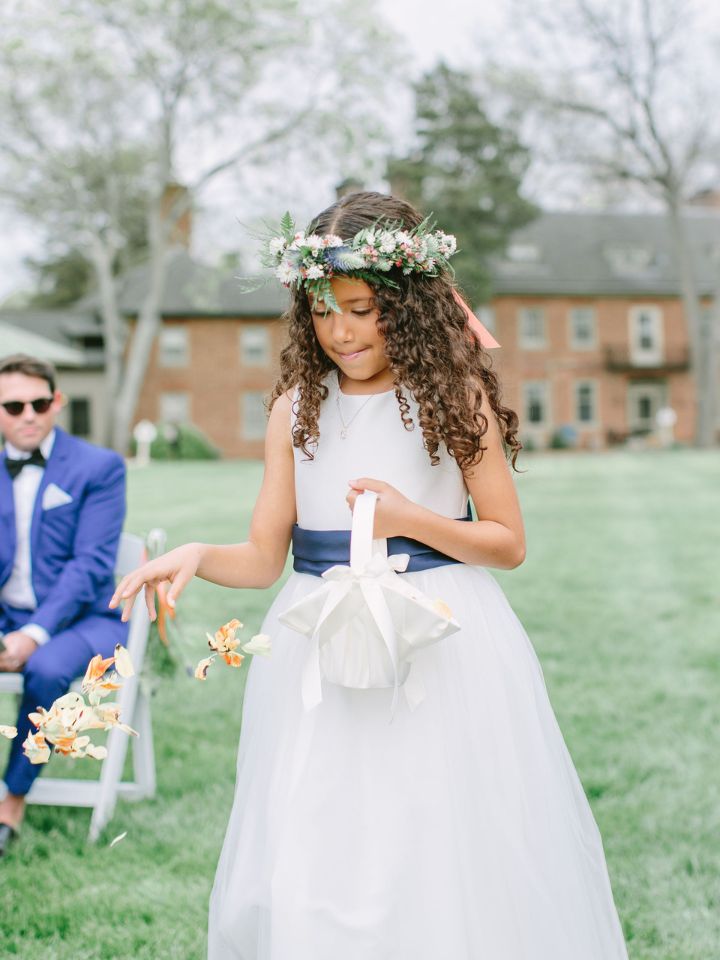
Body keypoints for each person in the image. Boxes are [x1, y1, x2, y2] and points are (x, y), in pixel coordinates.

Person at [112, 192, 629, 959]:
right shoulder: (295, 410)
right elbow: (263, 559)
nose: (341, 331)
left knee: (431, 830)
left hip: (437, 638)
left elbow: (507, 542)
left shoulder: (454, 400)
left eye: (359, 308)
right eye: (322, 312)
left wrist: (408, 520)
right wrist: (196, 556)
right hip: (319, 647)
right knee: (321, 830)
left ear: (407, 305)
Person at [0, 354, 127, 856]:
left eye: (38, 402)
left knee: (48, 669)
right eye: (13, 406)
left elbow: (92, 566)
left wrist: (34, 633)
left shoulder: (99, 467)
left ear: (57, 402)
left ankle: (12, 798)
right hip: (8, 612)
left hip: (84, 617)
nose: (27, 415)